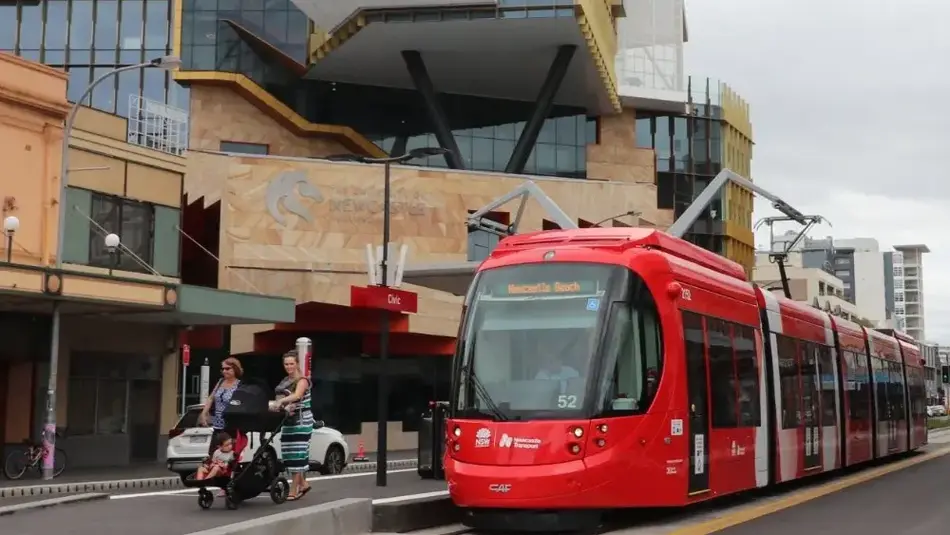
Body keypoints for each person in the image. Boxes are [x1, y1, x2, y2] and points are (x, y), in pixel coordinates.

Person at [199, 357, 244, 494]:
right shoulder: (220, 382)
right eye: (223, 368)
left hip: (231, 425)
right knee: (214, 454)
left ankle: (227, 485)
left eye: (227, 368)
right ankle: (211, 482)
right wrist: (204, 413)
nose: (224, 371)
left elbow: (241, 404)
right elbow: (211, 398)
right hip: (218, 424)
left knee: (229, 457)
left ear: (235, 369)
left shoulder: (239, 385)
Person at [273, 351, 313, 501]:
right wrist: (277, 404)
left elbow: (297, 395)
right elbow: (279, 395)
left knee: (298, 454)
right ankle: (304, 484)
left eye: (291, 363)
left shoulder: (303, 380)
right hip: (287, 420)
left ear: (296, 364)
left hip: (301, 421)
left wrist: (280, 402)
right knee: (288, 454)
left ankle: (294, 489)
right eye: (286, 364)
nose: (289, 366)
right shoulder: (284, 381)